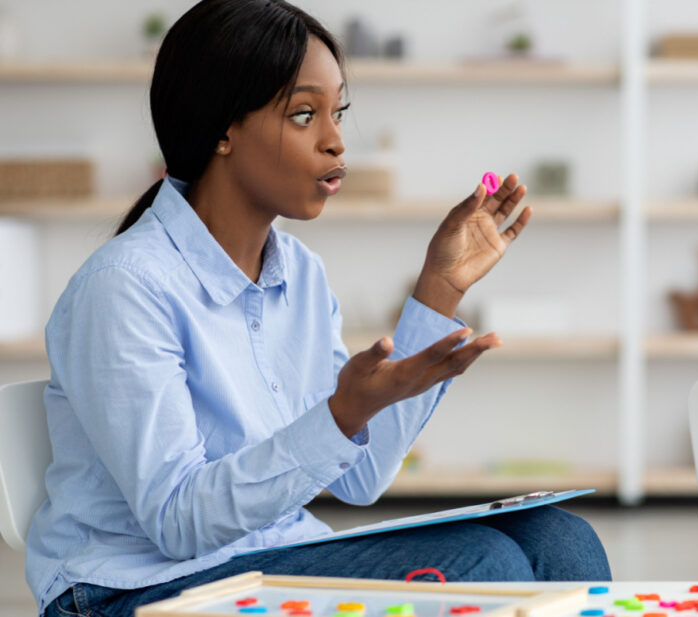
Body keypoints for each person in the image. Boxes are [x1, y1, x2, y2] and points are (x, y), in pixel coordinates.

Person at [27, 1, 610, 615]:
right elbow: (179, 522)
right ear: (223, 128)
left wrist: (439, 288)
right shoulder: (124, 286)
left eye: (338, 113)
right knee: (484, 566)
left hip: (266, 558)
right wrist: (340, 413)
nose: (335, 141)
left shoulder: (300, 275)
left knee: (560, 539)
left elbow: (359, 480)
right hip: (133, 590)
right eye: (304, 115)